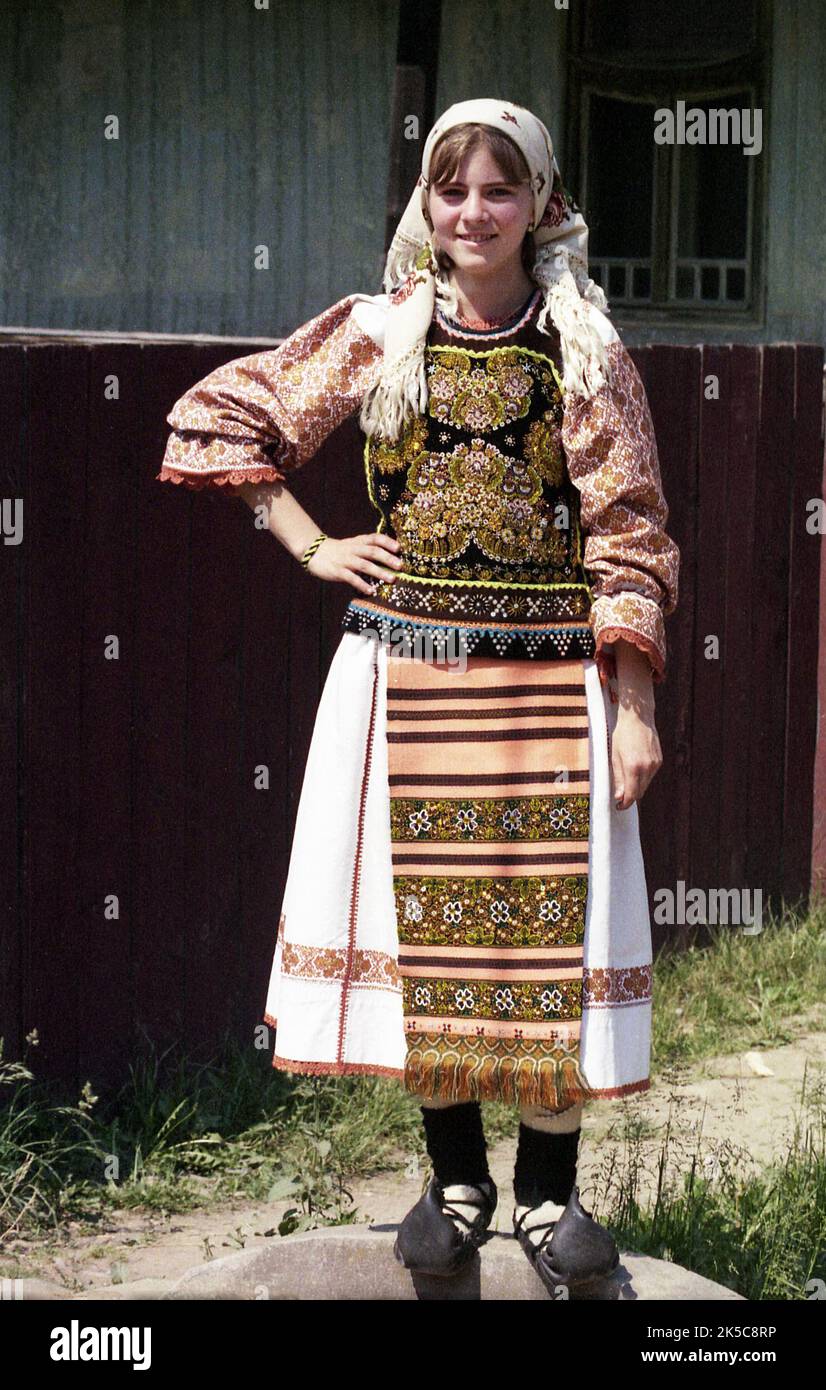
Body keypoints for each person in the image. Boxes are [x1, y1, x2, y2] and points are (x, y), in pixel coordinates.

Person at [157, 98, 679, 1294]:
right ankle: (456, 1183)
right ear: (425, 206)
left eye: (498, 189)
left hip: (553, 683)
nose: (472, 213)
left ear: (539, 202)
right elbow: (217, 415)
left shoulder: (583, 348)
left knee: (551, 935)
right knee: (430, 926)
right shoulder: (379, 331)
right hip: (410, 671)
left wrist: (638, 700)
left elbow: (632, 531)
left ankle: (550, 1199)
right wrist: (306, 541)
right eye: (451, 190)